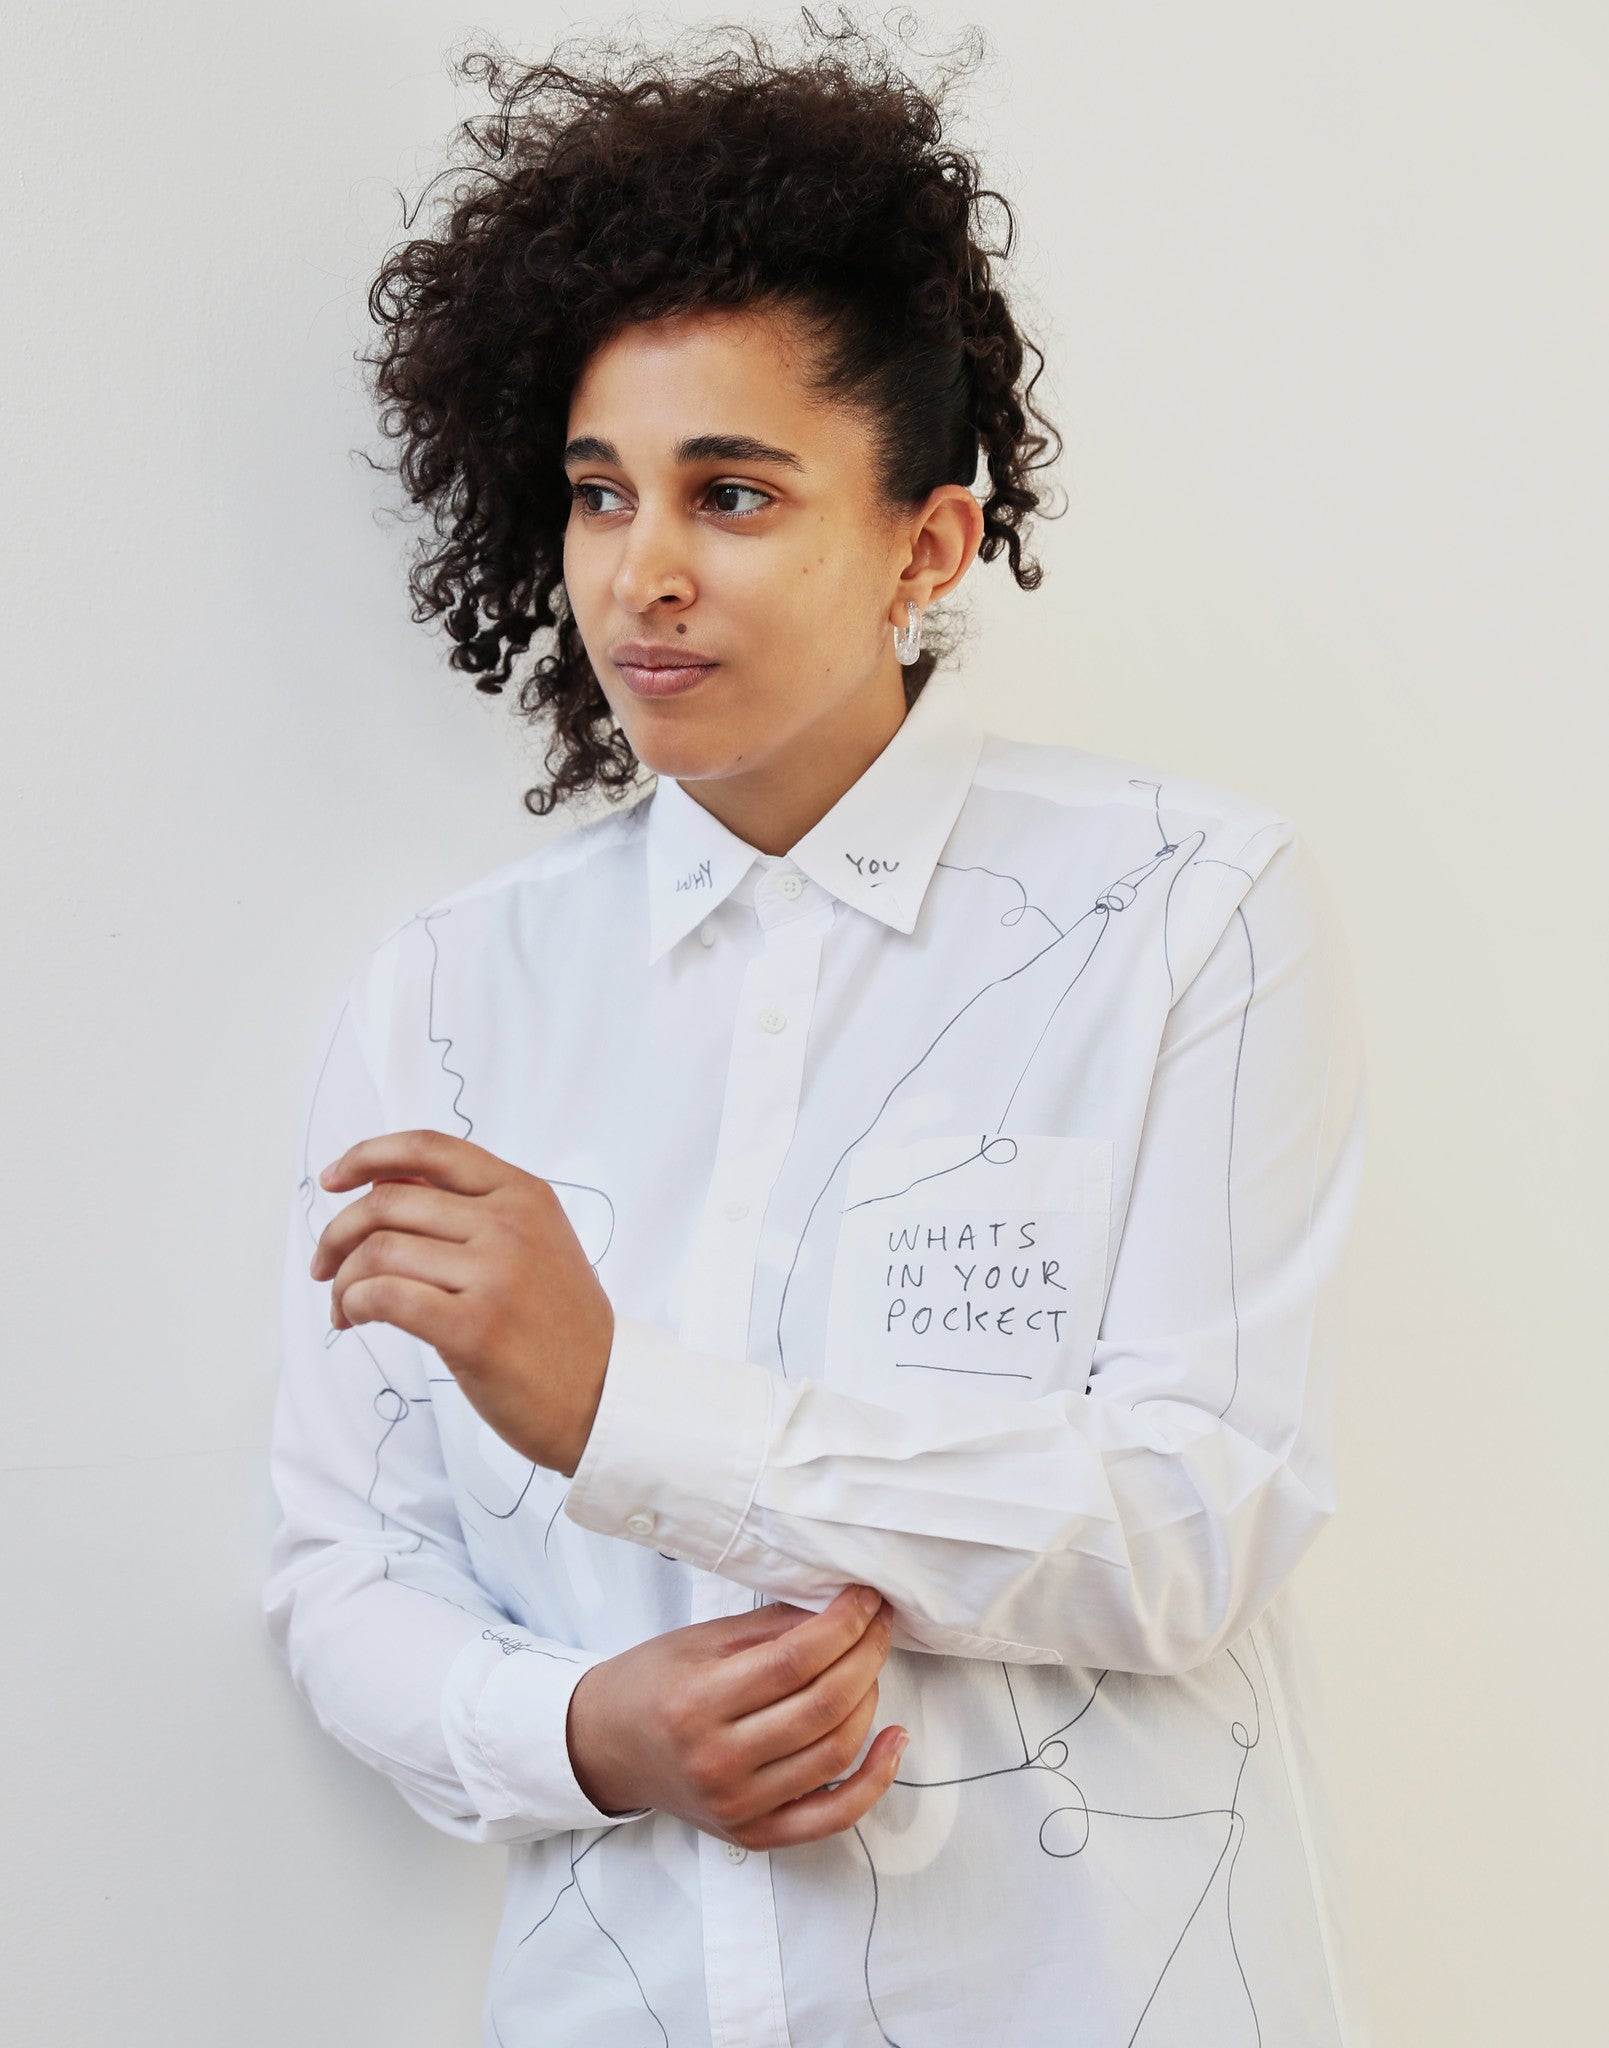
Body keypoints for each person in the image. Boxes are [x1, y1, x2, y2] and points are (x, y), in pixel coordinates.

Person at [262, 19, 1370, 2046]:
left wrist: (626, 1408)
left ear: (925, 544)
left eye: (732, 493)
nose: (644, 574)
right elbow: (345, 1566)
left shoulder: (1183, 910)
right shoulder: (451, 994)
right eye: (598, 493)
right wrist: (587, 1731)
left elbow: (1194, 1517)